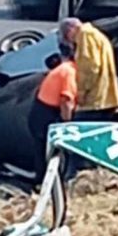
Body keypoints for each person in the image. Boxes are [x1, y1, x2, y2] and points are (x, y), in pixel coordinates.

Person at [28, 53, 78, 184]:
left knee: (42, 150)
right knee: (51, 150)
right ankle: (49, 183)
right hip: (47, 112)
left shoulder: (64, 68)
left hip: (39, 108)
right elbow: (66, 100)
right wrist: (67, 123)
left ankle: (42, 182)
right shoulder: (70, 72)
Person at [72, 20, 118, 121]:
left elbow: (90, 67)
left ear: (71, 31)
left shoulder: (85, 35)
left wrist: (81, 92)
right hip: (106, 99)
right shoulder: (98, 35)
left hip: (93, 100)